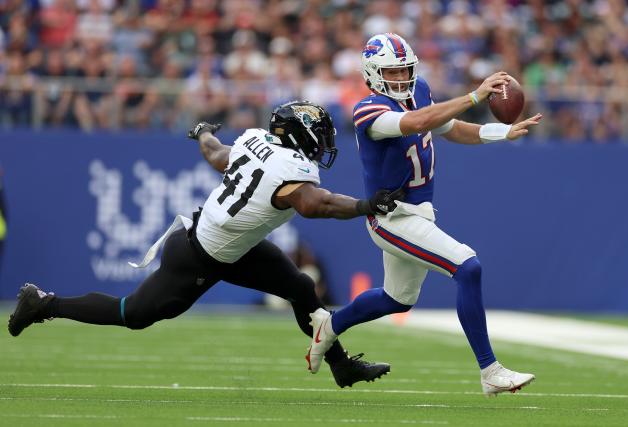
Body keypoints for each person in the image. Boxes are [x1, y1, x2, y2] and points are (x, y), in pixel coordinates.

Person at [7, 100, 404, 388]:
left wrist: (204, 131)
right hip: (198, 256)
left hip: (234, 246)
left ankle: (341, 366)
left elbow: (217, 155)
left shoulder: (255, 142)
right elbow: (318, 205)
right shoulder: (291, 169)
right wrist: (367, 205)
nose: (322, 144)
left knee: (301, 288)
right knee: (134, 313)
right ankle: (44, 303)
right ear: (299, 136)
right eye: (318, 136)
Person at [306, 33, 542, 396]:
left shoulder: (421, 91)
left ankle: (329, 324)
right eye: (392, 73)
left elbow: (451, 129)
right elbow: (416, 123)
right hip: (391, 218)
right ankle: (490, 371)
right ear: (372, 73)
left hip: (419, 213)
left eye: (405, 71)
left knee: (396, 298)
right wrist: (475, 96)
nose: (401, 80)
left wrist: (500, 132)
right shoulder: (366, 109)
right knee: (468, 266)